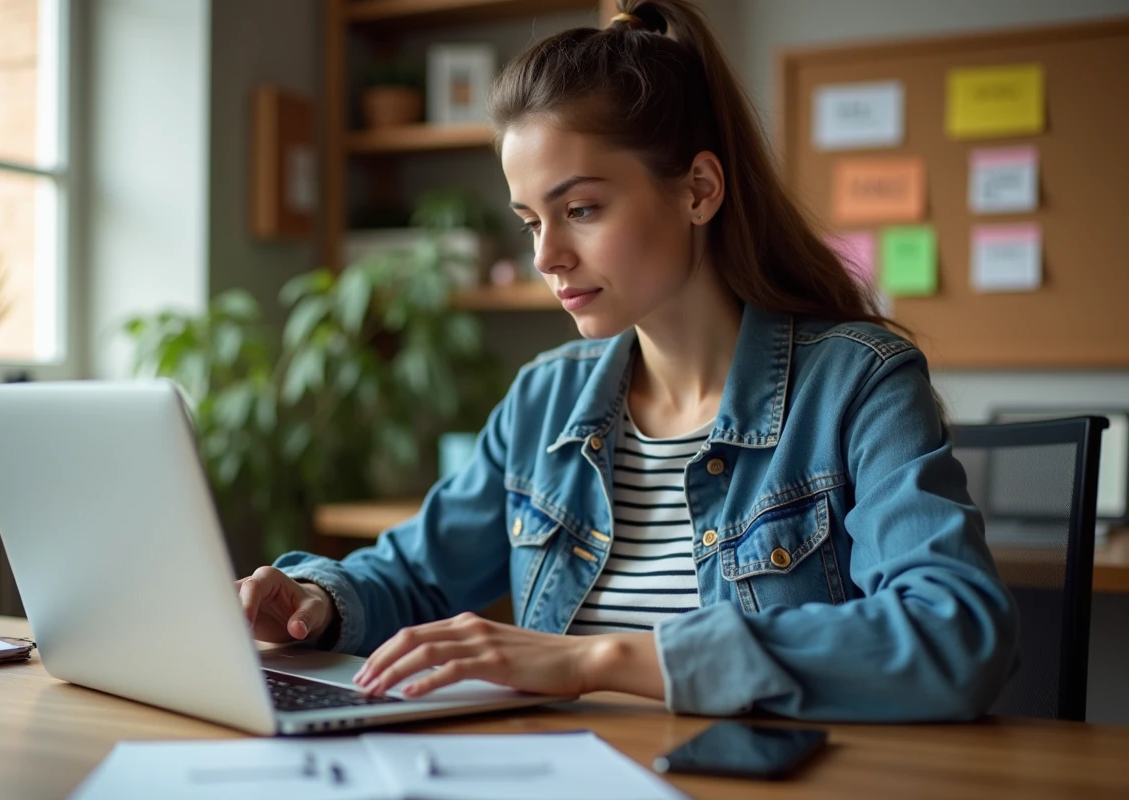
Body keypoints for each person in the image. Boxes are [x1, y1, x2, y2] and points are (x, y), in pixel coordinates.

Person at [236, 0, 1017, 721]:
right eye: (528, 221)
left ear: (699, 190)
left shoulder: (858, 382)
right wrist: (313, 601)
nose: (548, 256)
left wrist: (596, 661)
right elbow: (415, 572)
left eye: (580, 209)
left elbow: (955, 634)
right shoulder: (545, 398)